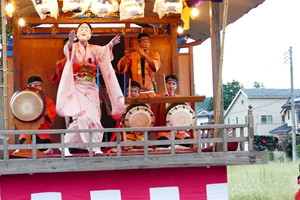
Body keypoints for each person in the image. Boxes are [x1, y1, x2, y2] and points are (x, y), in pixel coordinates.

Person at [56, 22, 125, 155]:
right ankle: (94, 147)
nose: (83, 30)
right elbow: (68, 52)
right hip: (77, 87)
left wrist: (110, 45)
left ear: (91, 34)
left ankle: (65, 145)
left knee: (92, 117)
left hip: (91, 86)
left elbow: (104, 53)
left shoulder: (94, 48)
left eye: (86, 29)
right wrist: (70, 42)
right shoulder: (74, 47)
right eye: (81, 29)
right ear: (76, 33)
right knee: (82, 117)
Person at [18, 76, 57, 155]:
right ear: (29, 86)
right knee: (25, 148)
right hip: (27, 133)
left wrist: (39, 111)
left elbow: (50, 114)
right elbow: (19, 114)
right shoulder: (23, 99)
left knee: (43, 148)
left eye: (40, 86)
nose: (38, 88)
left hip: (42, 133)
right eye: (36, 86)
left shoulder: (47, 101)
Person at [117, 33, 161, 98]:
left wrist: (144, 55)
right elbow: (121, 69)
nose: (146, 43)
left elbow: (155, 68)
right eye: (144, 41)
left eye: (148, 41)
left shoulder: (154, 54)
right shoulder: (132, 55)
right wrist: (126, 57)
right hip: (135, 92)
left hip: (149, 91)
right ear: (139, 43)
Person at [155, 74, 191, 149]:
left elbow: (186, 111)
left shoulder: (179, 98)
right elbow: (154, 112)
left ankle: (174, 145)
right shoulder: (157, 98)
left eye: (174, 84)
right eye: (169, 83)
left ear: (176, 86)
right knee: (163, 144)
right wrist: (163, 100)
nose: (171, 86)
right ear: (165, 84)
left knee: (187, 142)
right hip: (164, 129)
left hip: (178, 130)